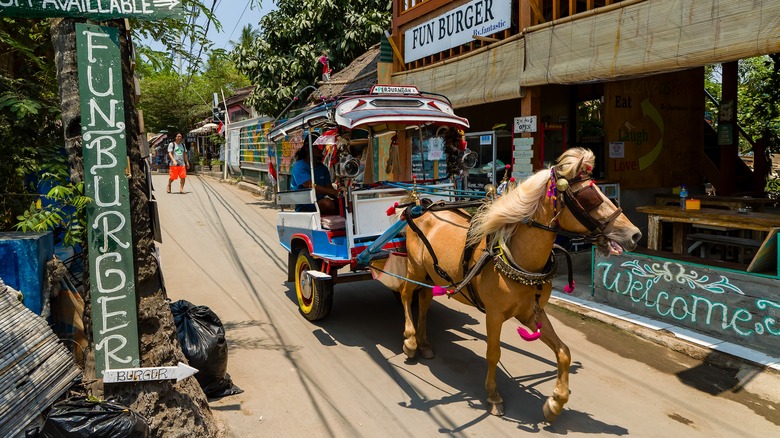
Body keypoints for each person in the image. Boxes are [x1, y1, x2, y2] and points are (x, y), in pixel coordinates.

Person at [290, 139, 340, 215]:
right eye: (317, 146)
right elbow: (310, 185)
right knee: (328, 204)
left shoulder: (323, 168)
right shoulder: (299, 167)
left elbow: (329, 188)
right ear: (307, 148)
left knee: (342, 204)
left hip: (319, 201)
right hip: (305, 205)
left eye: (322, 146)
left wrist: (340, 195)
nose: (321, 149)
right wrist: (332, 192)